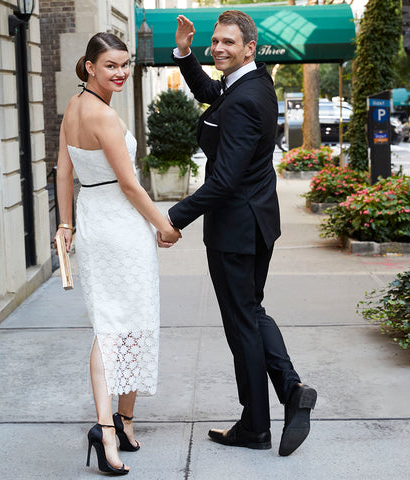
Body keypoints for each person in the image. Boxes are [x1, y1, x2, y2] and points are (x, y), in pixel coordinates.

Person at [168, 11, 317, 457]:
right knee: (250, 314)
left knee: (242, 326)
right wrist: (184, 53)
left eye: (228, 42)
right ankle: (291, 392)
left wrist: (174, 218)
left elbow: (224, 181)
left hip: (237, 230)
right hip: (252, 224)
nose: (218, 48)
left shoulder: (248, 97)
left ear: (249, 48)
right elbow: (210, 93)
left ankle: (256, 426)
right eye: (215, 41)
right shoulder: (247, 85)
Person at [54, 32, 181, 475]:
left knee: (128, 321)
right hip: (120, 225)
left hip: (93, 221)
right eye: (110, 65)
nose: (121, 72)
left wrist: (66, 224)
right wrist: (164, 223)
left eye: (124, 64)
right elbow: (130, 184)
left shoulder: (74, 108)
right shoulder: (102, 117)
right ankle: (105, 430)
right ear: (90, 67)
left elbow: (63, 173)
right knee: (116, 326)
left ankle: (124, 423)